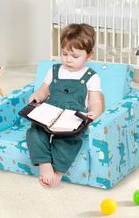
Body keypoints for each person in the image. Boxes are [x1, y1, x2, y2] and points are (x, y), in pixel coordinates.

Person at [26, 23, 103, 188]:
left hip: (71, 119)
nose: (68, 59)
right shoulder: (54, 70)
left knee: (70, 141)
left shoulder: (91, 76)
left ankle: (58, 171)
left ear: (88, 56)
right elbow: (44, 90)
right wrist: (37, 96)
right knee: (35, 132)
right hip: (50, 113)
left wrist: (94, 112)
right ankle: (44, 164)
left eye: (74, 56)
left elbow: (96, 100)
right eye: (64, 54)